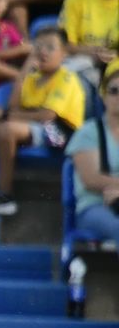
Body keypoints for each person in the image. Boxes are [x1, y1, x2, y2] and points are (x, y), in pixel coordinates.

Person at [0, 24, 84, 216]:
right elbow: (13, 107)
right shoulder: (33, 77)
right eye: (39, 47)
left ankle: (5, 195)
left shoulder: (67, 78)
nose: (43, 52)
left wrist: (9, 116)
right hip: (33, 124)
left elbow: (47, 115)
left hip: (61, 134)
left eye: (50, 47)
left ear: (64, 54)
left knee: (7, 128)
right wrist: (23, 73)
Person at [66, 62, 119, 245]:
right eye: (114, 91)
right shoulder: (89, 131)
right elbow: (91, 180)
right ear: (103, 95)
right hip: (95, 206)